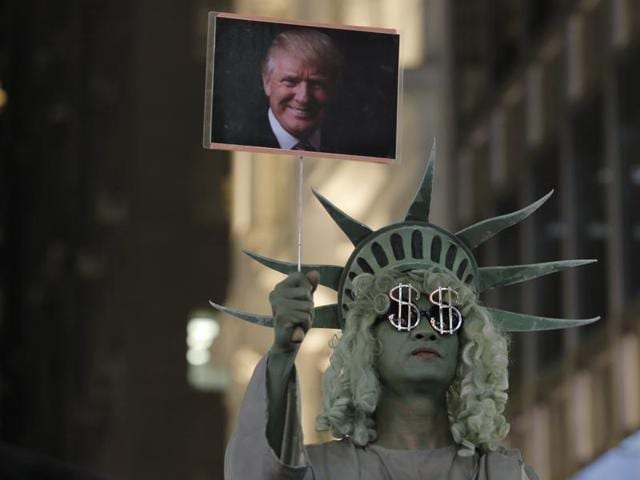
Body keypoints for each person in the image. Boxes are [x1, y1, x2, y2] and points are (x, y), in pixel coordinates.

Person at [212, 143, 599, 478]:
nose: (426, 329)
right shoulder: (323, 471)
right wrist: (282, 353)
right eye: (402, 312)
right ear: (366, 340)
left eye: (445, 315)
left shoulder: (502, 474)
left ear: (468, 344)